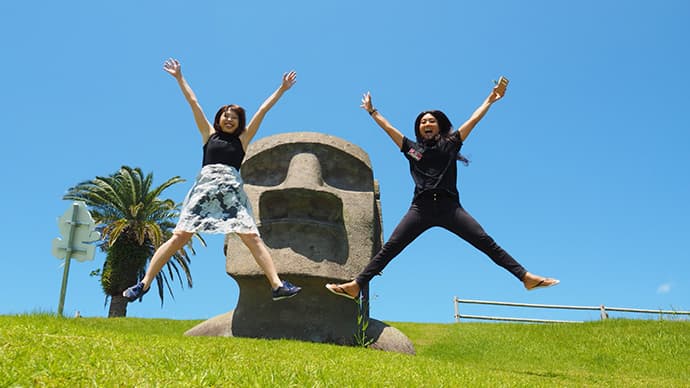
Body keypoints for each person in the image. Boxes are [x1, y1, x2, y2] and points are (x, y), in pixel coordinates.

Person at [326, 80, 559, 300]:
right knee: (391, 248)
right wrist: (372, 111)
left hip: (450, 208)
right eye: (423, 122)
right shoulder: (412, 149)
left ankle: (525, 277)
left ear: (439, 126)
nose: (426, 124)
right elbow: (389, 129)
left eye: (431, 121)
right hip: (421, 208)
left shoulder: (451, 144)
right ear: (419, 128)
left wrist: (490, 99)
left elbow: (473, 121)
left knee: (485, 242)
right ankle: (357, 285)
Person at [123, 58, 301, 302]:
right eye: (226, 116)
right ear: (219, 119)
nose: (229, 120)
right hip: (205, 189)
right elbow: (193, 102)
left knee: (252, 237)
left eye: (234, 117)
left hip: (231, 192)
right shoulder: (209, 135)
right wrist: (179, 77)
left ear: (240, 123)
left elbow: (262, 111)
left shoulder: (242, 141)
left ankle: (277, 285)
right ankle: (143, 284)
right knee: (179, 237)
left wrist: (281, 89)